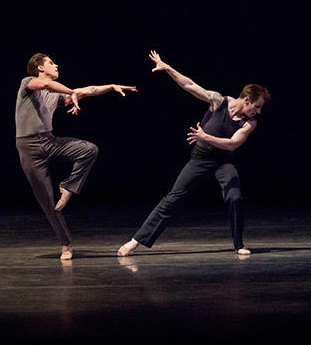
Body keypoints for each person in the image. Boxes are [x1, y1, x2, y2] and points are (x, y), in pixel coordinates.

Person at [117, 50, 270, 257]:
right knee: (173, 197)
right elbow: (190, 86)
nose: (259, 111)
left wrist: (206, 137)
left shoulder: (250, 123)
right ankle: (135, 241)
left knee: (234, 196)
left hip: (223, 161)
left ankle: (238, 244)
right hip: (201, 158)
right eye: (257, 106)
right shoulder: (219, 101)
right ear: (246, 99)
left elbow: (232, 145)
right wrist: (168, 67)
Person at [16, 53, 137, 260]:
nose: (56, 64)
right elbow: (45, 86)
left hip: (49, 141)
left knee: (89, 149)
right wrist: (72, 92)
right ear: (40, 68)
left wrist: (111, 86)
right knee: (46, 200)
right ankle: (66, 244)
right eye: (51, 63)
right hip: (28, 146)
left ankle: (69, 186)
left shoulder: (57, 93)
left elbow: (89, 90)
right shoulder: (28, 83)